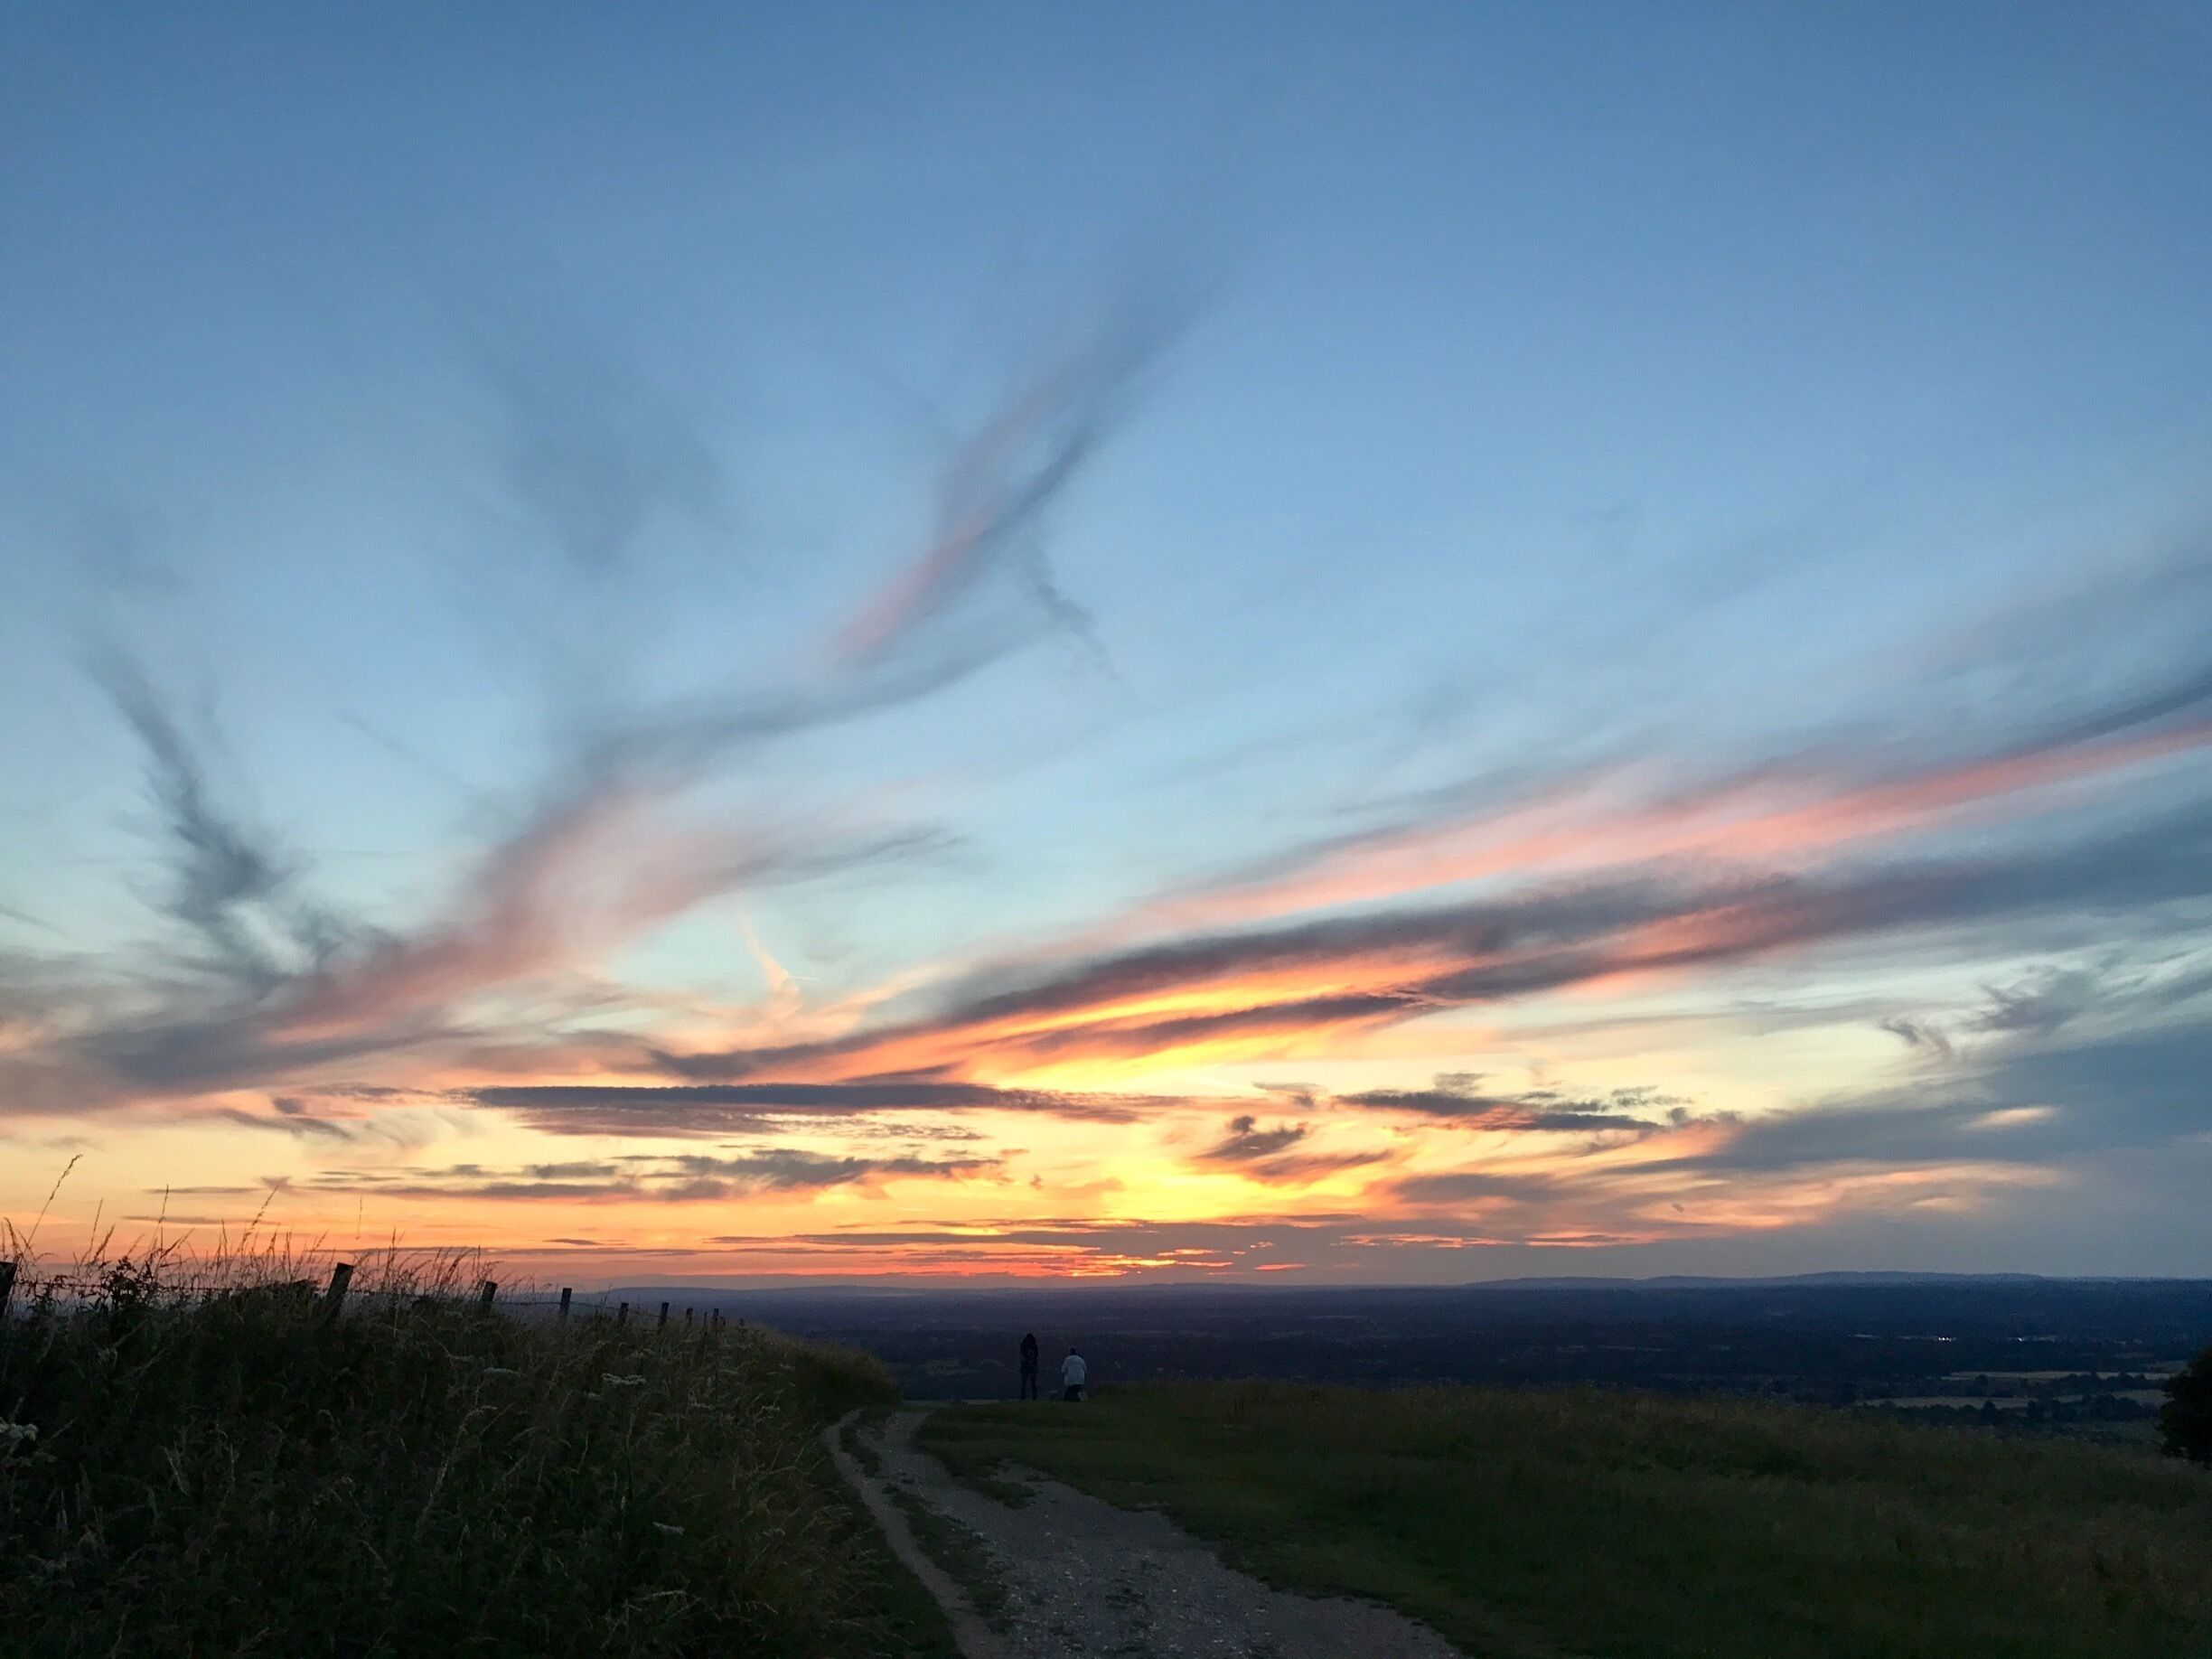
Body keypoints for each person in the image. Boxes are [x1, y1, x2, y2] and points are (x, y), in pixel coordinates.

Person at [1018, 1331, 1040, 1400]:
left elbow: (1022, 1353)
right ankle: (1034, 1397)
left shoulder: (1023, 1345)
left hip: (1025, 1366)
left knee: (1023, 1383)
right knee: (1033, 1382)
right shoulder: (1034, 1346)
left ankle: (1022, 1396)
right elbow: (1037, 1354)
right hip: (1033, 1365)